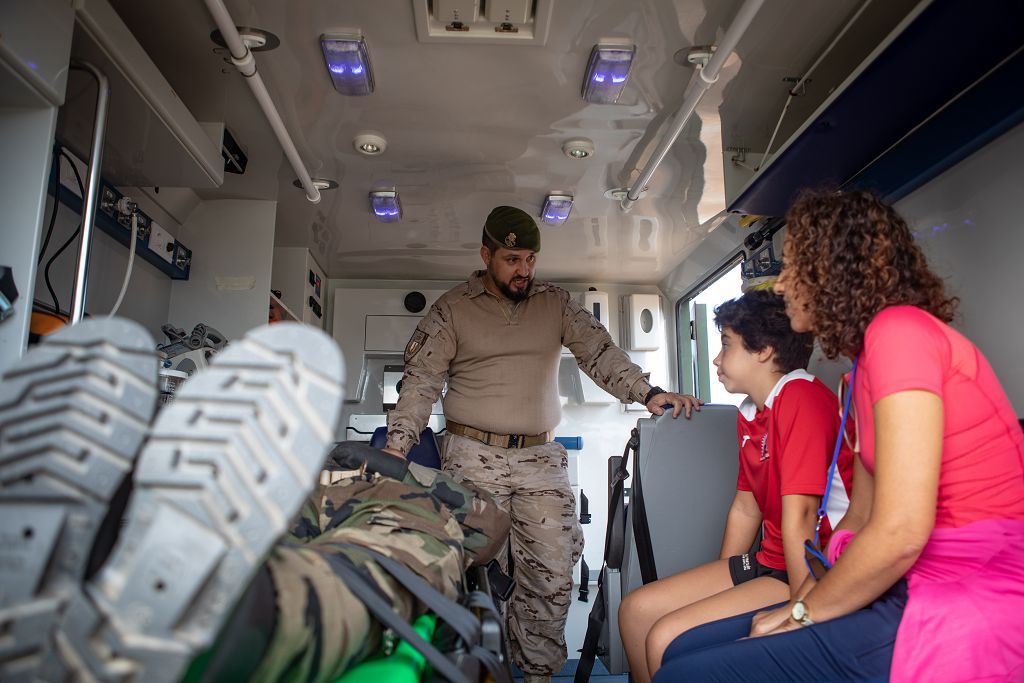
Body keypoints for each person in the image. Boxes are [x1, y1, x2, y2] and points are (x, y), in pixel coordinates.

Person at [0, 317, 512, 683]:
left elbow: (485, 522)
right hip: (348, 502)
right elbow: (485, 526)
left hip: (311, 495)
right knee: (406, 538)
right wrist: (402, 476)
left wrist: (393, 466)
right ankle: (249, 621)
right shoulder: (401, 485)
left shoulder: (354, 469)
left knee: (380, 522)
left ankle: (121, 555)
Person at [654, 189, 1024, 682]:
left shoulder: (901, 334)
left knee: (687, 673)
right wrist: (804, 600)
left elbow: (899, 532)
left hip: (957, 594)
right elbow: (864, 513)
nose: (783, 285)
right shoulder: (861, 370)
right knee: (684, 655)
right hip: (898, 584)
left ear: (833, 272)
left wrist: (802, 616)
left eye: (794, 267)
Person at [382, 205, 701, 681]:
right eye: (512, 259)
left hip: (540, 459)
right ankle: (473, 670)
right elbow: (421, 384)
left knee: (551, 578)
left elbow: (599, 352)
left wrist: (648, 394)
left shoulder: (554, 303)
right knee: (466, 575)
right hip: (471, 457)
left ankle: (537, 676)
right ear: (486, 254)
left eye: (530, 259)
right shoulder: (452, 309)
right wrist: (396, 448)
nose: (524, 270)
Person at [618, 289, 854, 683]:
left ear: (763, 351)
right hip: (770, 561)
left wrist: (801, 609)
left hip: (811, 570)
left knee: (665, 636)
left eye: (726, 345)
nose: (716, 358)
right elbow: (746, 509)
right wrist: (721, 584)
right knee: (636, 611)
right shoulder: (752, 413)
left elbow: (803, 515)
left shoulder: (801, 398)